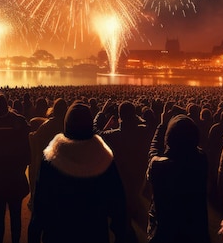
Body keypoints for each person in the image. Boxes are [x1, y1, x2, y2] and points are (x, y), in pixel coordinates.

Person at [28, 103, 134, 243]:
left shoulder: (51, 159)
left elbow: (40, 206)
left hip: (58, 235)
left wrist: (34, 236)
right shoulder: (104, 159)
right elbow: (118, 207)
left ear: (66, 126)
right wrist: (120, 236)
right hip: (95, 235)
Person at [146, 107, 211, 243]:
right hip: (195, 232)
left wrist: (163, 125)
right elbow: (190, 146)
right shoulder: (201, 159)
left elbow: (153, 152)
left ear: (169, 138)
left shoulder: (160, 166)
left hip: (165, 234)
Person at [0, 94, 30, 243]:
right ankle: (15, 240)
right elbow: (27, 153)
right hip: (16, 179)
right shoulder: (19, 122)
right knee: (16, 214)